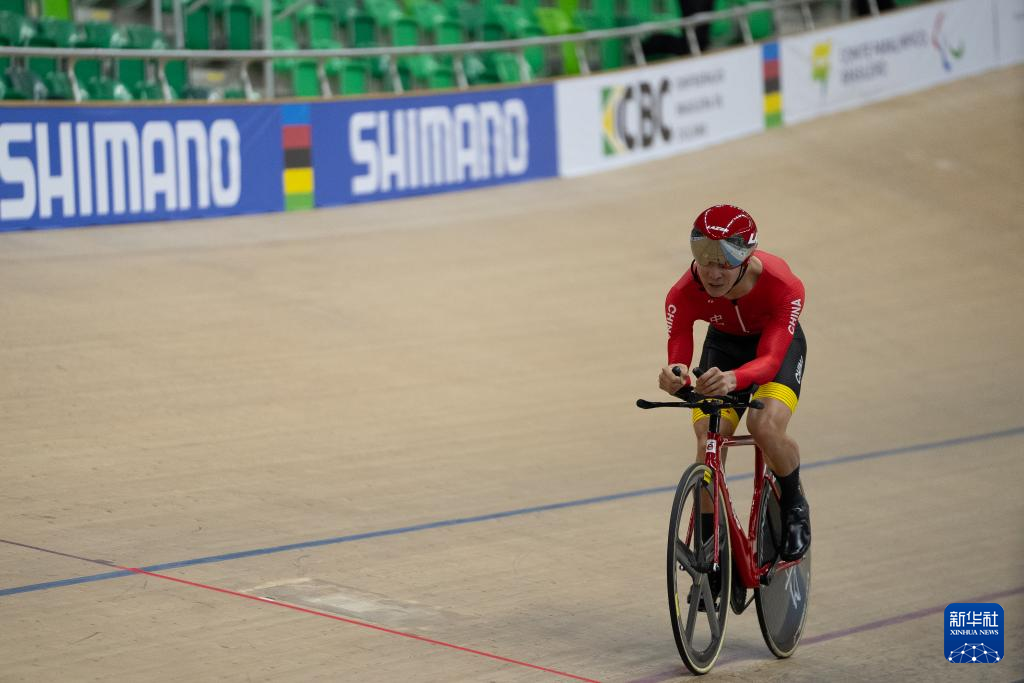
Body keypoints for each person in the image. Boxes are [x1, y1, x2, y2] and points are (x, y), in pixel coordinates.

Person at [658, 204, 810, 578]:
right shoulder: (683, 291)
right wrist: (677, 373)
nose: (712, 272)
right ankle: (710, 544)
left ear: (747, 257)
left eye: (725, 261)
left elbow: (771, 360)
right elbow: (679, 342)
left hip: (774, 351)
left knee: (764, 426)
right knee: (709, 438)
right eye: (704, 258)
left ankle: (793, 503)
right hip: (723, 347)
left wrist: (734, 380)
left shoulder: (782, 286)